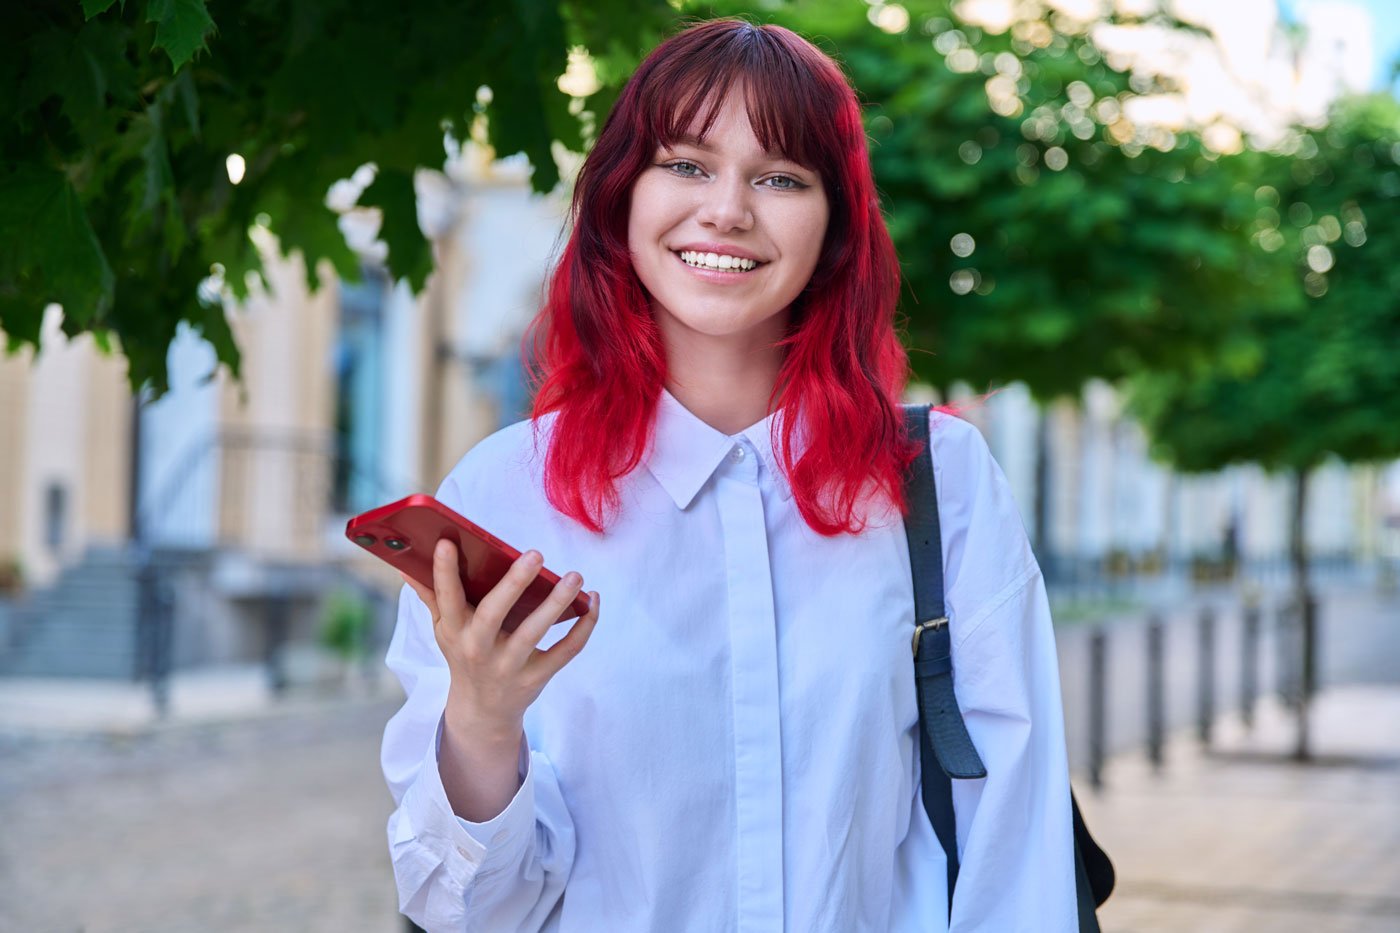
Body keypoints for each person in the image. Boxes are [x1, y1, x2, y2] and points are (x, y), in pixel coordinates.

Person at [381, 18, 1078, 932]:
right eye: (687, 163)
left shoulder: (937, 480)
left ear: (834, 226)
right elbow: (462, 909)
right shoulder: (506, 493)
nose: (728, 210)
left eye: (782, 177)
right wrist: (481, 721)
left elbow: (1014, 858)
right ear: (621, 196)